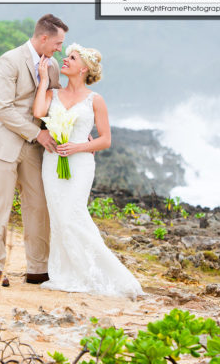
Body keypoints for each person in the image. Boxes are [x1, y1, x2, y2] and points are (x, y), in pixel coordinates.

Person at [32, 43, 144, 299]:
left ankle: (103, 274)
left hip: (81, 163)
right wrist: (41, 82)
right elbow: (38, 112)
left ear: (83, 69)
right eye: (67, 56)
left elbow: (105, 140)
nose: (65, 60)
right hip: (53, 162)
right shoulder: (53, 94)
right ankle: (66, 273)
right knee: (59, 218)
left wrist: (78, 147)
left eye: (71, 58)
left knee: (73, 213)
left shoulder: (96, 100)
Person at [0, 14, 68, 287]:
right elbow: (3, 109)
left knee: (38, 206)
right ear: (43, 38)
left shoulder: (52, 66)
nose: (59, 49)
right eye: (57, 42)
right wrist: (38, 133)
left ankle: (38, 268)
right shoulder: (9, 60)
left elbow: (56, 101)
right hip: (3, 145)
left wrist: (73, 125)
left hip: (33, 149)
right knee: (1, 206)